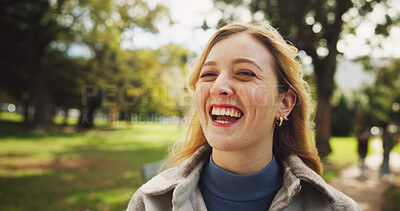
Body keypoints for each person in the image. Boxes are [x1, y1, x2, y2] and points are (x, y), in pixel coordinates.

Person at [127, 23, 360, 210]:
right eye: (208, 74)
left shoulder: (338, 208)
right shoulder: (148, 203)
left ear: (285, 103)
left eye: (245, 73)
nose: (219, 87)